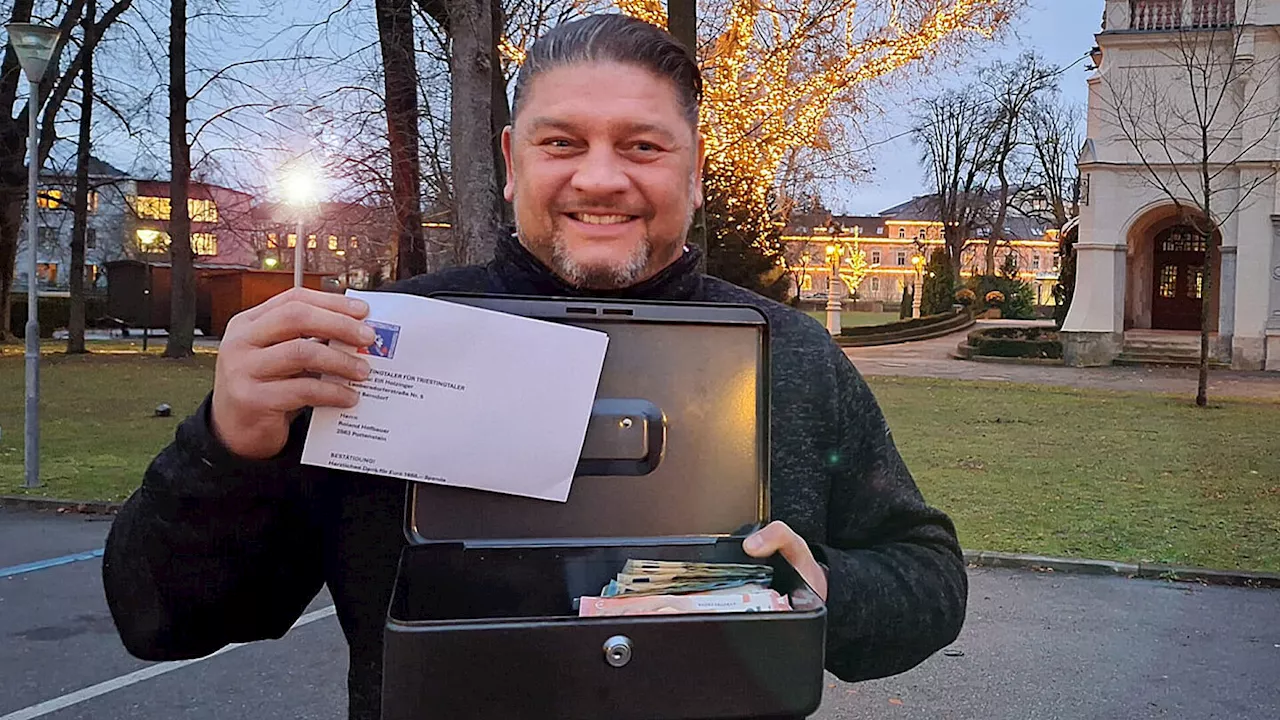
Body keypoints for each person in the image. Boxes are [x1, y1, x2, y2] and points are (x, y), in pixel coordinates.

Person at [102, 13, 967, 720]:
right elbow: (163, 619)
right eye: (562, 144)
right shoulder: (375, 352)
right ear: (513, 164)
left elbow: (928, 575)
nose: (601, 178)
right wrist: (225, 447)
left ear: (696, 172)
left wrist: (829, 589)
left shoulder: (793, 358)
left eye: (642, 147)